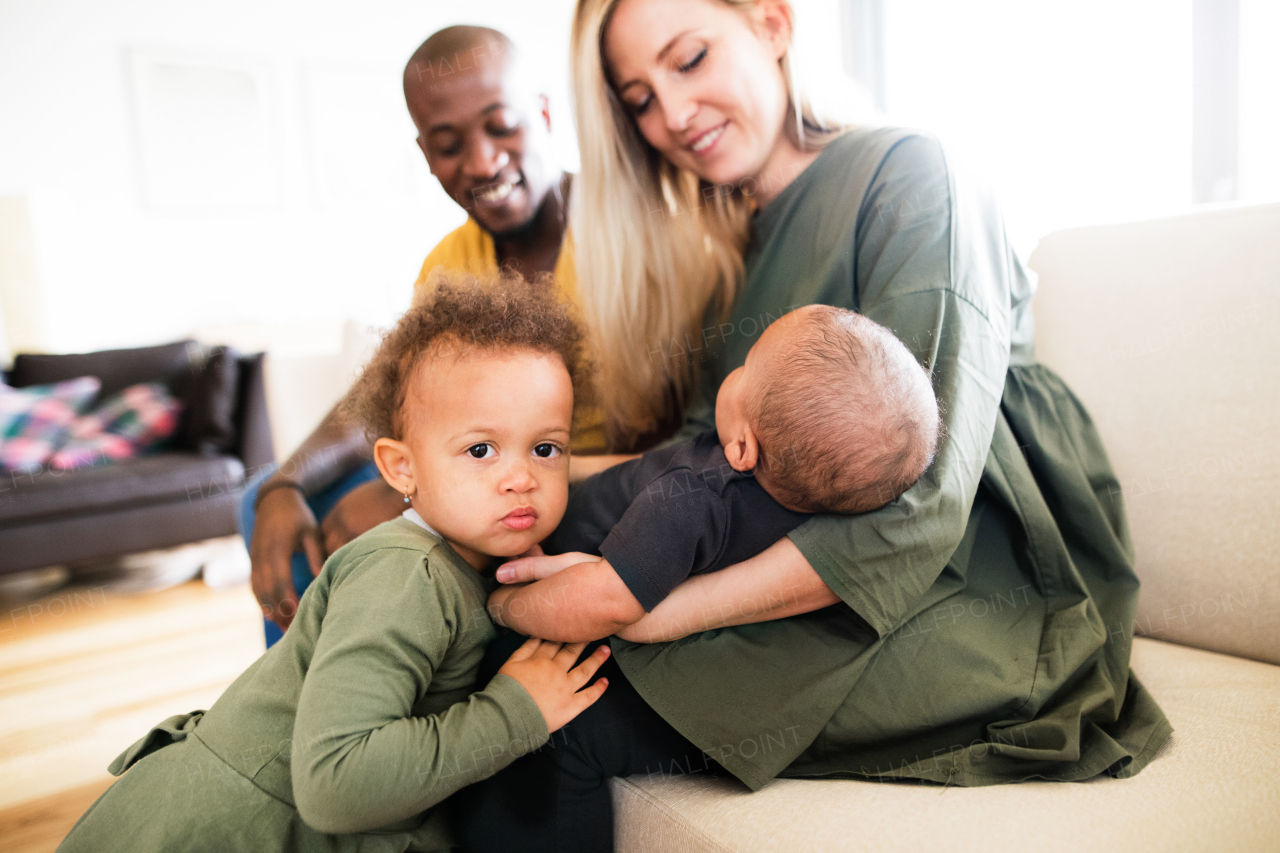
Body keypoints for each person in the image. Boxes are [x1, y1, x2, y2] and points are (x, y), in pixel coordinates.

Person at [454, 1, 1172, 850]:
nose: (673, 116)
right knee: (471, 655)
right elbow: (696, 463)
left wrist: (652, 609)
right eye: (639, 99)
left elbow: (922, 504)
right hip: (783, 563)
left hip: (960, 585)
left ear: (772, 23)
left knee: (532, 720)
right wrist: (472, 483)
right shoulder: (729, 247)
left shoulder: (912, 171)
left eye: (689, 59)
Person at [59, 276, 612, 853]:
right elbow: (335, 784)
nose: (521, 478)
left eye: (546, 449)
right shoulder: (404, 577)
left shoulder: (455, 561)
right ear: (401, 469)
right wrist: (513, 712)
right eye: (480, 450)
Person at [242, 25, 627, 646]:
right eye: (449, 145)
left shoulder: (629, 233)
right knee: (271, 503)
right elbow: (388, 394)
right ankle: (315, 695)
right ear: (424, 154)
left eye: (502, 126)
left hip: (574, 486)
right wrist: (284, 483)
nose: (481, 161)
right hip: (478, 474)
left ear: (546, 114)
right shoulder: (448, 262)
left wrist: (411, 506)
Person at [486, 304, 941, 641]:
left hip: (541, 560)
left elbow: (605, 603)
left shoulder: (691, 499)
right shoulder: (798, 503)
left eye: (745, 369)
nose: (735, 371)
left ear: (742, 448)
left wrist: (502, 607)